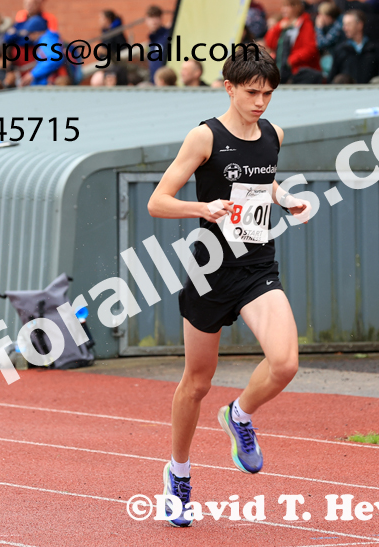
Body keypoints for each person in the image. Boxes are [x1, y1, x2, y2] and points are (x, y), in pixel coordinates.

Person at [147, 43, 311, 528]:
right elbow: (159, 201)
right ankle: (178, 474)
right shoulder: (204, 137)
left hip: (257, 266)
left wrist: (285, 198)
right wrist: (202, 208)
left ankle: (239, 415)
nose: (261, 102)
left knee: (285, 363)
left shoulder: (274, 135)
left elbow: (262, 184)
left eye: (268, 93)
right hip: (210, 271)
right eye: (252, 92)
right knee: (197, 383)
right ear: (230, 88)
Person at [265, 0, 322, 77]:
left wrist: (291, 60)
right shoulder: (282, 23)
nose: (283, 9)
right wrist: (277, 28)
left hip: (299, 71)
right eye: (283, 6)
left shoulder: (305, 23)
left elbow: (310, 49)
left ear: (296, 7)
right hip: (282, 69)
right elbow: (269, 43)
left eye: (287, 6)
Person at [328, 10, 379, 82]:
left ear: (360, 25)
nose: (345, 28)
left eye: (349, 24)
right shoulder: (340, 50)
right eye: (344, 24)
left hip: (370, 92)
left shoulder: (375, 50)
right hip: (347, 92)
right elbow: (332, 78)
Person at [146, 5, 171, 82]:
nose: (154, 21)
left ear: (161, 19)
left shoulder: (167, 36)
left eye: (156, 17)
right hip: (155, 83)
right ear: (146, 20)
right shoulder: (152, 40)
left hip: (166, 82)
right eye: (151, 17)